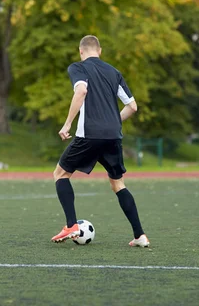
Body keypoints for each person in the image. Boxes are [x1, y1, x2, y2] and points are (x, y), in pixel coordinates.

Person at [50, 35, 150, 247]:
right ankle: (140, 236)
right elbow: (132, 106)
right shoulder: (114, 72)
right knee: (118, 183)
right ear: (100, 51)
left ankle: (71, 226)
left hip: (90, 134)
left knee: (60, 173)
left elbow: (81, 90)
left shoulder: (78, 67)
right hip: (113, 135)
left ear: (81, 51)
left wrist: (68, 123)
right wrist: (113, 121)